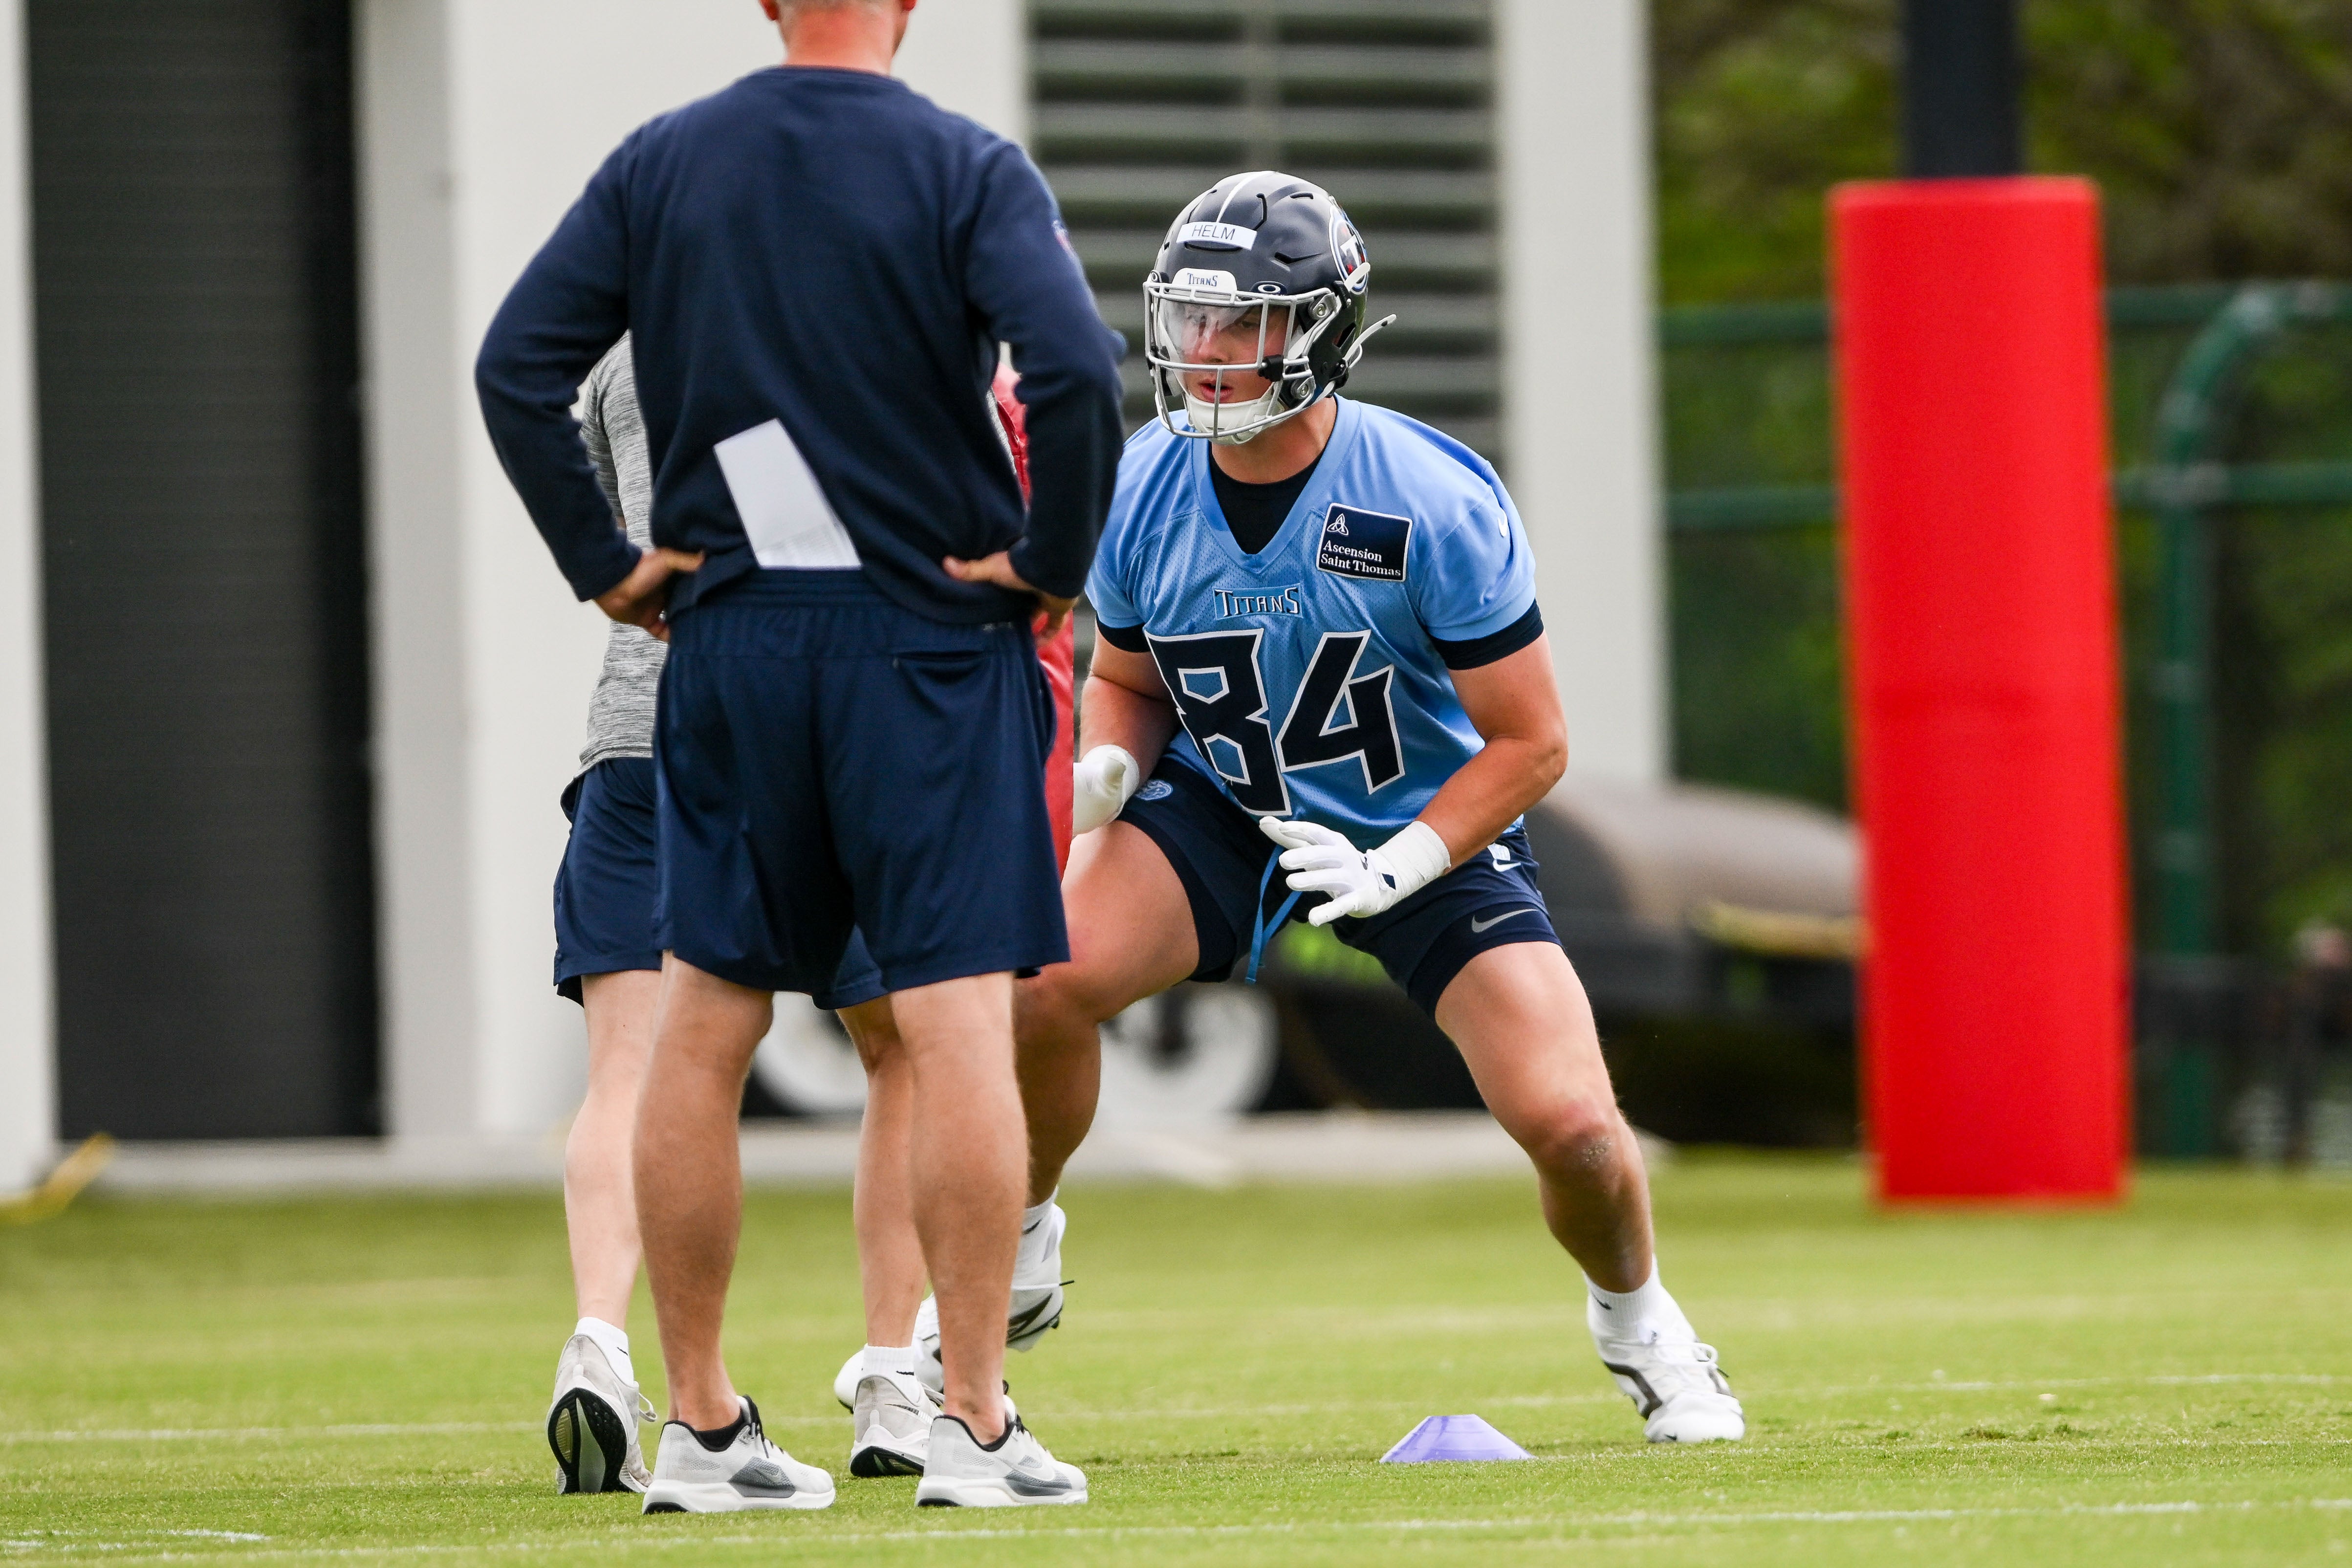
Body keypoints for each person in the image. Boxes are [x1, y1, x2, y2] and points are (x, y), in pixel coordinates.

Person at [478, 0, 1124, 1515]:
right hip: (927, 647)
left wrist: (607, 565)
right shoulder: (967, 166)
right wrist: (1044, 567)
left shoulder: (665, 163)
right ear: (910, 6)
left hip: (732, 644)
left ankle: (699, 1430)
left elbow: (519, 367)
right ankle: (967, 1421)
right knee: (953, 1024)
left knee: (702, 1027)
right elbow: (1079, 378)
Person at [1015, 171, 1747, 1445]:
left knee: (1575, 1127)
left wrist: (1404, 861)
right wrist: (1113, 774)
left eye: (1239, 324)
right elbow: (1128, 679)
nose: (1203, 354)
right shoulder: (1137, 482)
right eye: (1187, 320)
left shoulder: (1428, 495)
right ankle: (1012, 1239)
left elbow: (1533, 743)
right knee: (1036, 985)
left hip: (1416, 822)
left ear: (1322, 332)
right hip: (1225, 802)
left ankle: (1639, 1323)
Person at [539, 341, 1076, 1495]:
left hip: (645, 733)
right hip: (835, 723)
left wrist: (623, 580)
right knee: (917, 1051)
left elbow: (555, 433)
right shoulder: (865, 311)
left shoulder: (630, 357)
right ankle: (905, 1376)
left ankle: (610, 1348)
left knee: (640, 1061)